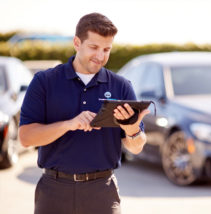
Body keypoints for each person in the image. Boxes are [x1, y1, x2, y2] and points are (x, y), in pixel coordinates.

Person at [19, 12, 149, 214]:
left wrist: (132, 128)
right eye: (94, 47)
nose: (100, 56)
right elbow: (26, 138)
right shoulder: (44, 82)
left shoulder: (121, 86)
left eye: (107, 49)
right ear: (77, 43)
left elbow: (137, 147)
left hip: (102, 192)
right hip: (53, 190)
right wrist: (68, 124)